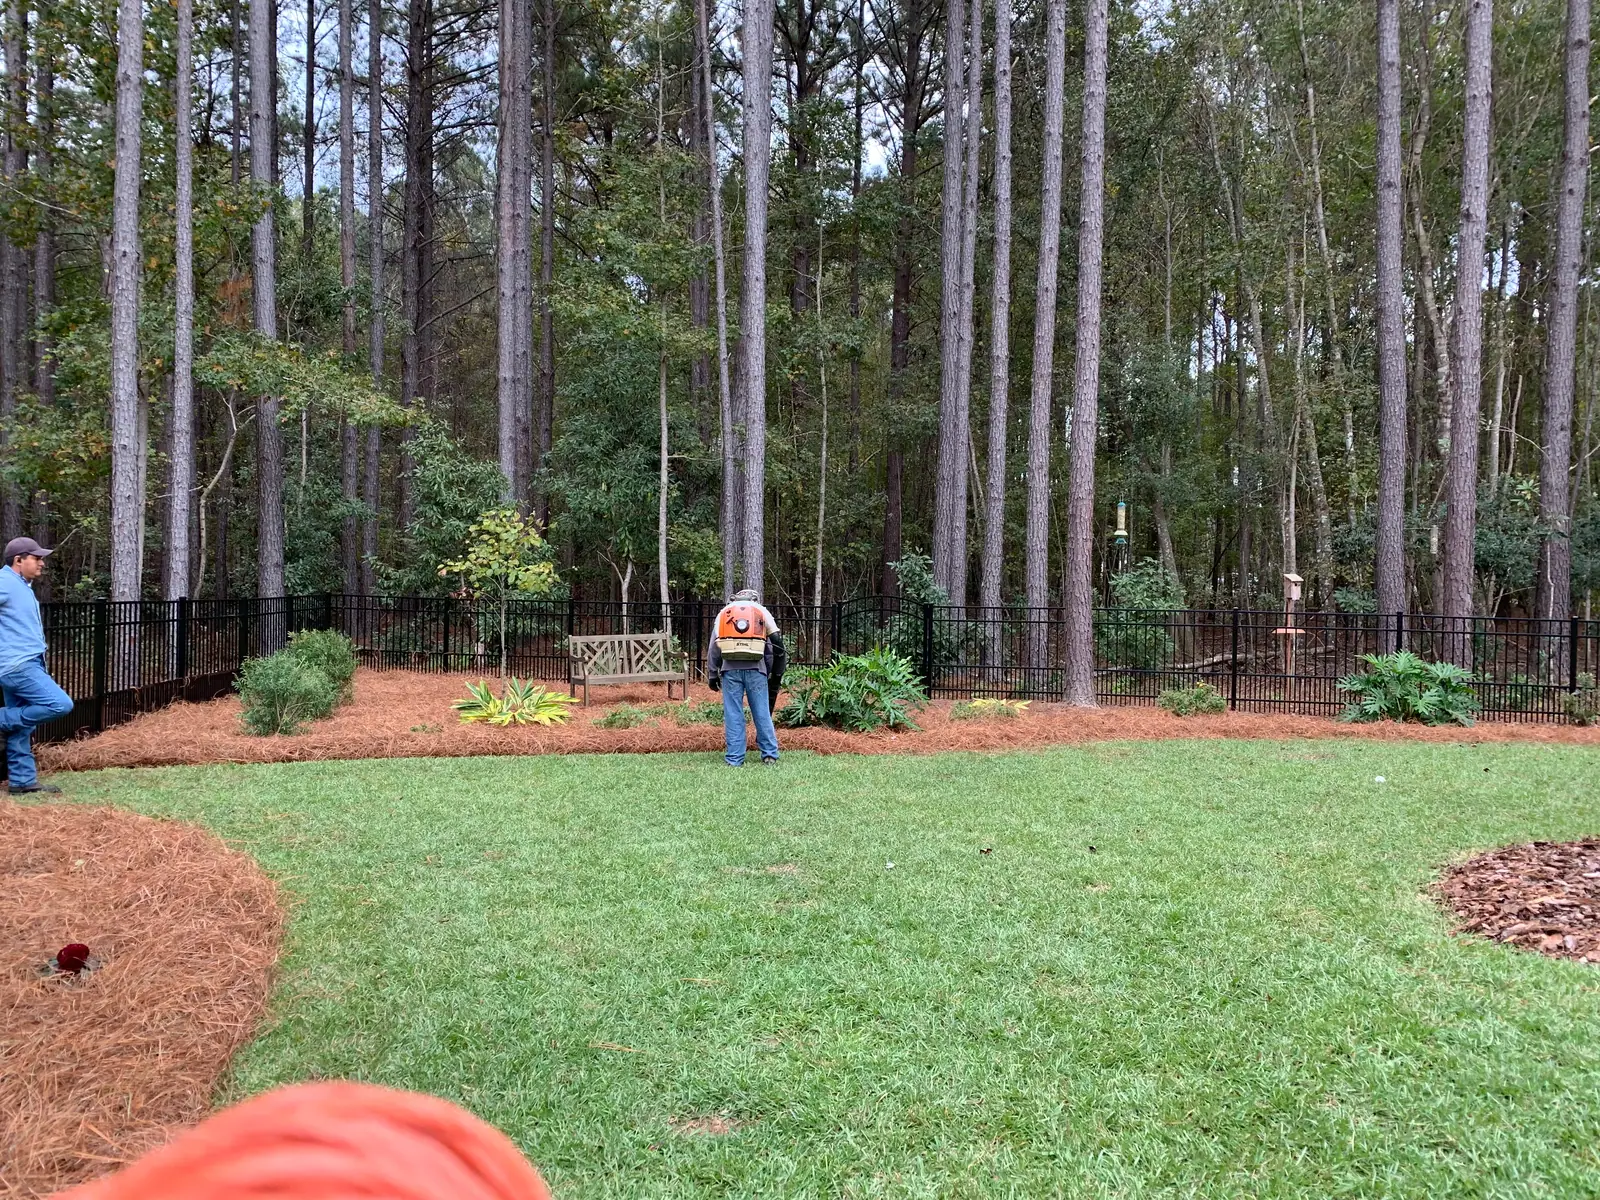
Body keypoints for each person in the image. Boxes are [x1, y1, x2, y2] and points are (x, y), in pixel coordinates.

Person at [0, 536, 73, 794]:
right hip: (17, 665)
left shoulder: (21, 584)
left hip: (25, 662)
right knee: (60, 704)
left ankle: (22, 782)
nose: (42, 563)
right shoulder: (5, 583)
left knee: (21, 724)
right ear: (19, 561)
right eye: (37, 558)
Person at [706, 587, 786, 767]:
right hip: (756, 670)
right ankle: (769, 754)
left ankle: (735, 758)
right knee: (761, 712)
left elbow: (714, 647)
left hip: (730, 671)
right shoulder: (760, 613)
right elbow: (771, 649)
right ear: (755, 599)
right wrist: (769, 671)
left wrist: (713, 673)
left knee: (733, 713)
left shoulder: (725, 614)